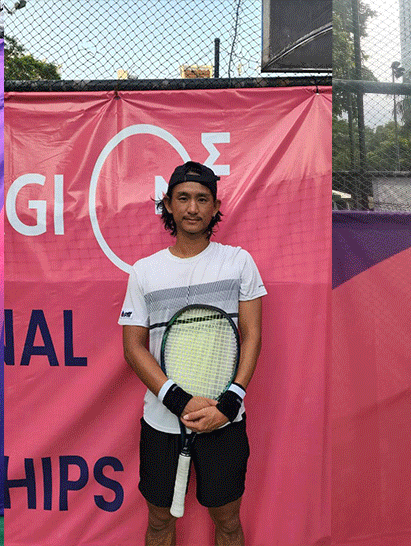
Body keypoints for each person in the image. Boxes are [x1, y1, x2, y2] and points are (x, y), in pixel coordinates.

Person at [119, 161, 266, 546]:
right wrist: (178, 400)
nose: (192, 208)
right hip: (162, 421)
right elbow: (133, 347)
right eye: (183, 198)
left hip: (224, 418)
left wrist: (230, 403)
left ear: (215, 207)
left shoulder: (238, 262)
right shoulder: (144, 271)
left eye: (202, 199)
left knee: (229, 523)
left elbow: (252, 336)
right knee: (158, 523)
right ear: (168, 204)